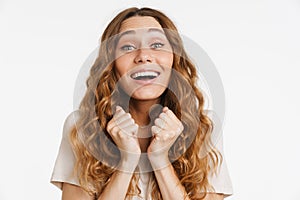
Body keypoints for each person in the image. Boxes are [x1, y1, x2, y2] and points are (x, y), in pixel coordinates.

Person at [50, 7, 233, 200]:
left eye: (157, 45)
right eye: (128, 47)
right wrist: (127, 161)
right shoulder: (82, 127)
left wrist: (160, 159)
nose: (143, 56)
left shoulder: (204, 128)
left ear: (174, 58)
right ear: (111, 63)